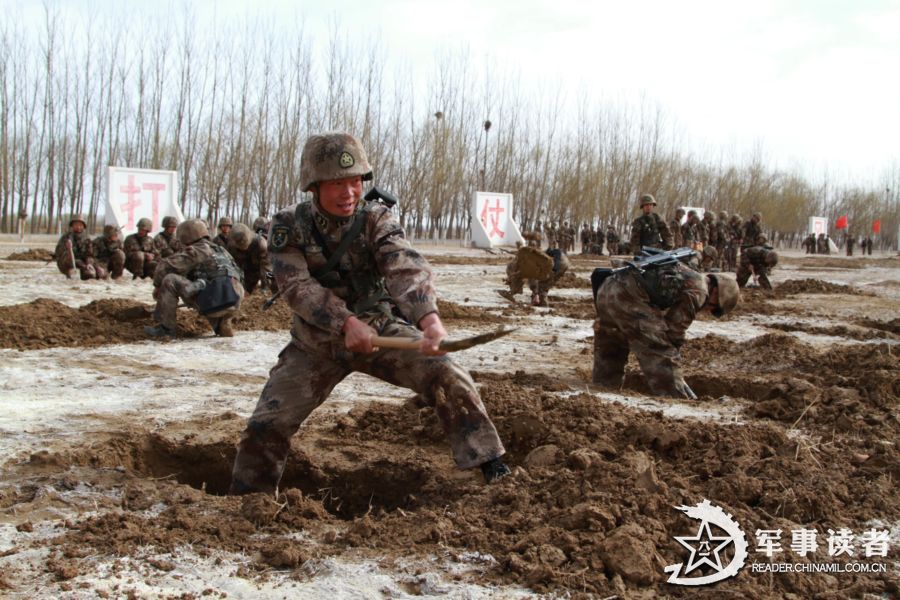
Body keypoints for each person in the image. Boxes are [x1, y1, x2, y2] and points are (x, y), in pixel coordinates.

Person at [229, 132, 509, 495]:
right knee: (267, 424)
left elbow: (404, 267)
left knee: (448, 374)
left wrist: (429, 320)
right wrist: (345, 322)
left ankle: (492, 469)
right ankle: (248, 502)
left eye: (355, 182)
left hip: (380, 331)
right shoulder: (288, 225)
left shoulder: (377, 218)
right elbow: (296, 286)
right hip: (317, 342)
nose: (349, 193)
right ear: (314, 187)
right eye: (337, 184)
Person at [593, 255, 740, 398]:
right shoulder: (700, 290)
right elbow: (674, 329)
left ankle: (603, 388)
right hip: (629, 295)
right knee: (660, 350)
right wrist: (673, 353)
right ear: (716, 294)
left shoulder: (688, 273)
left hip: (606, 288)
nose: (707, 310)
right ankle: (675, 396)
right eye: (714, 308)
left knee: (612, 342)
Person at [145, 219, 245, 338]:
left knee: (170, 279)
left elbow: (164, 266)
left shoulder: (198, 250)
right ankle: (220, 323)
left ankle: (166, 329)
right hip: (234, 298)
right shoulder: (221, 250)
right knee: (205, 284)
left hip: (215, 298)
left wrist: (157, 287)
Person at [226, 223, 272, 295]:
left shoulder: (261, 244)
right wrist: (240, 287)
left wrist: (265, 287)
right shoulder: (231, 247)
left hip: (258, 270)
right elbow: (232, 267)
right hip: (245, 272)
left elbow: (266, 268)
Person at [54, 214, 100, 279]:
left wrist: (89, 263)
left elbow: (90, 254)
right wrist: (67, 248)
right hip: (67, 264)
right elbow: (58, 253)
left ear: (83, 226)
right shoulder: (66, 237)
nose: (78, 227)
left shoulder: (87, 238)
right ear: (72, 226)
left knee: (91, 274)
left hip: (82, 263)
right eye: (76, 225)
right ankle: (70, 273)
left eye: (80, 225)